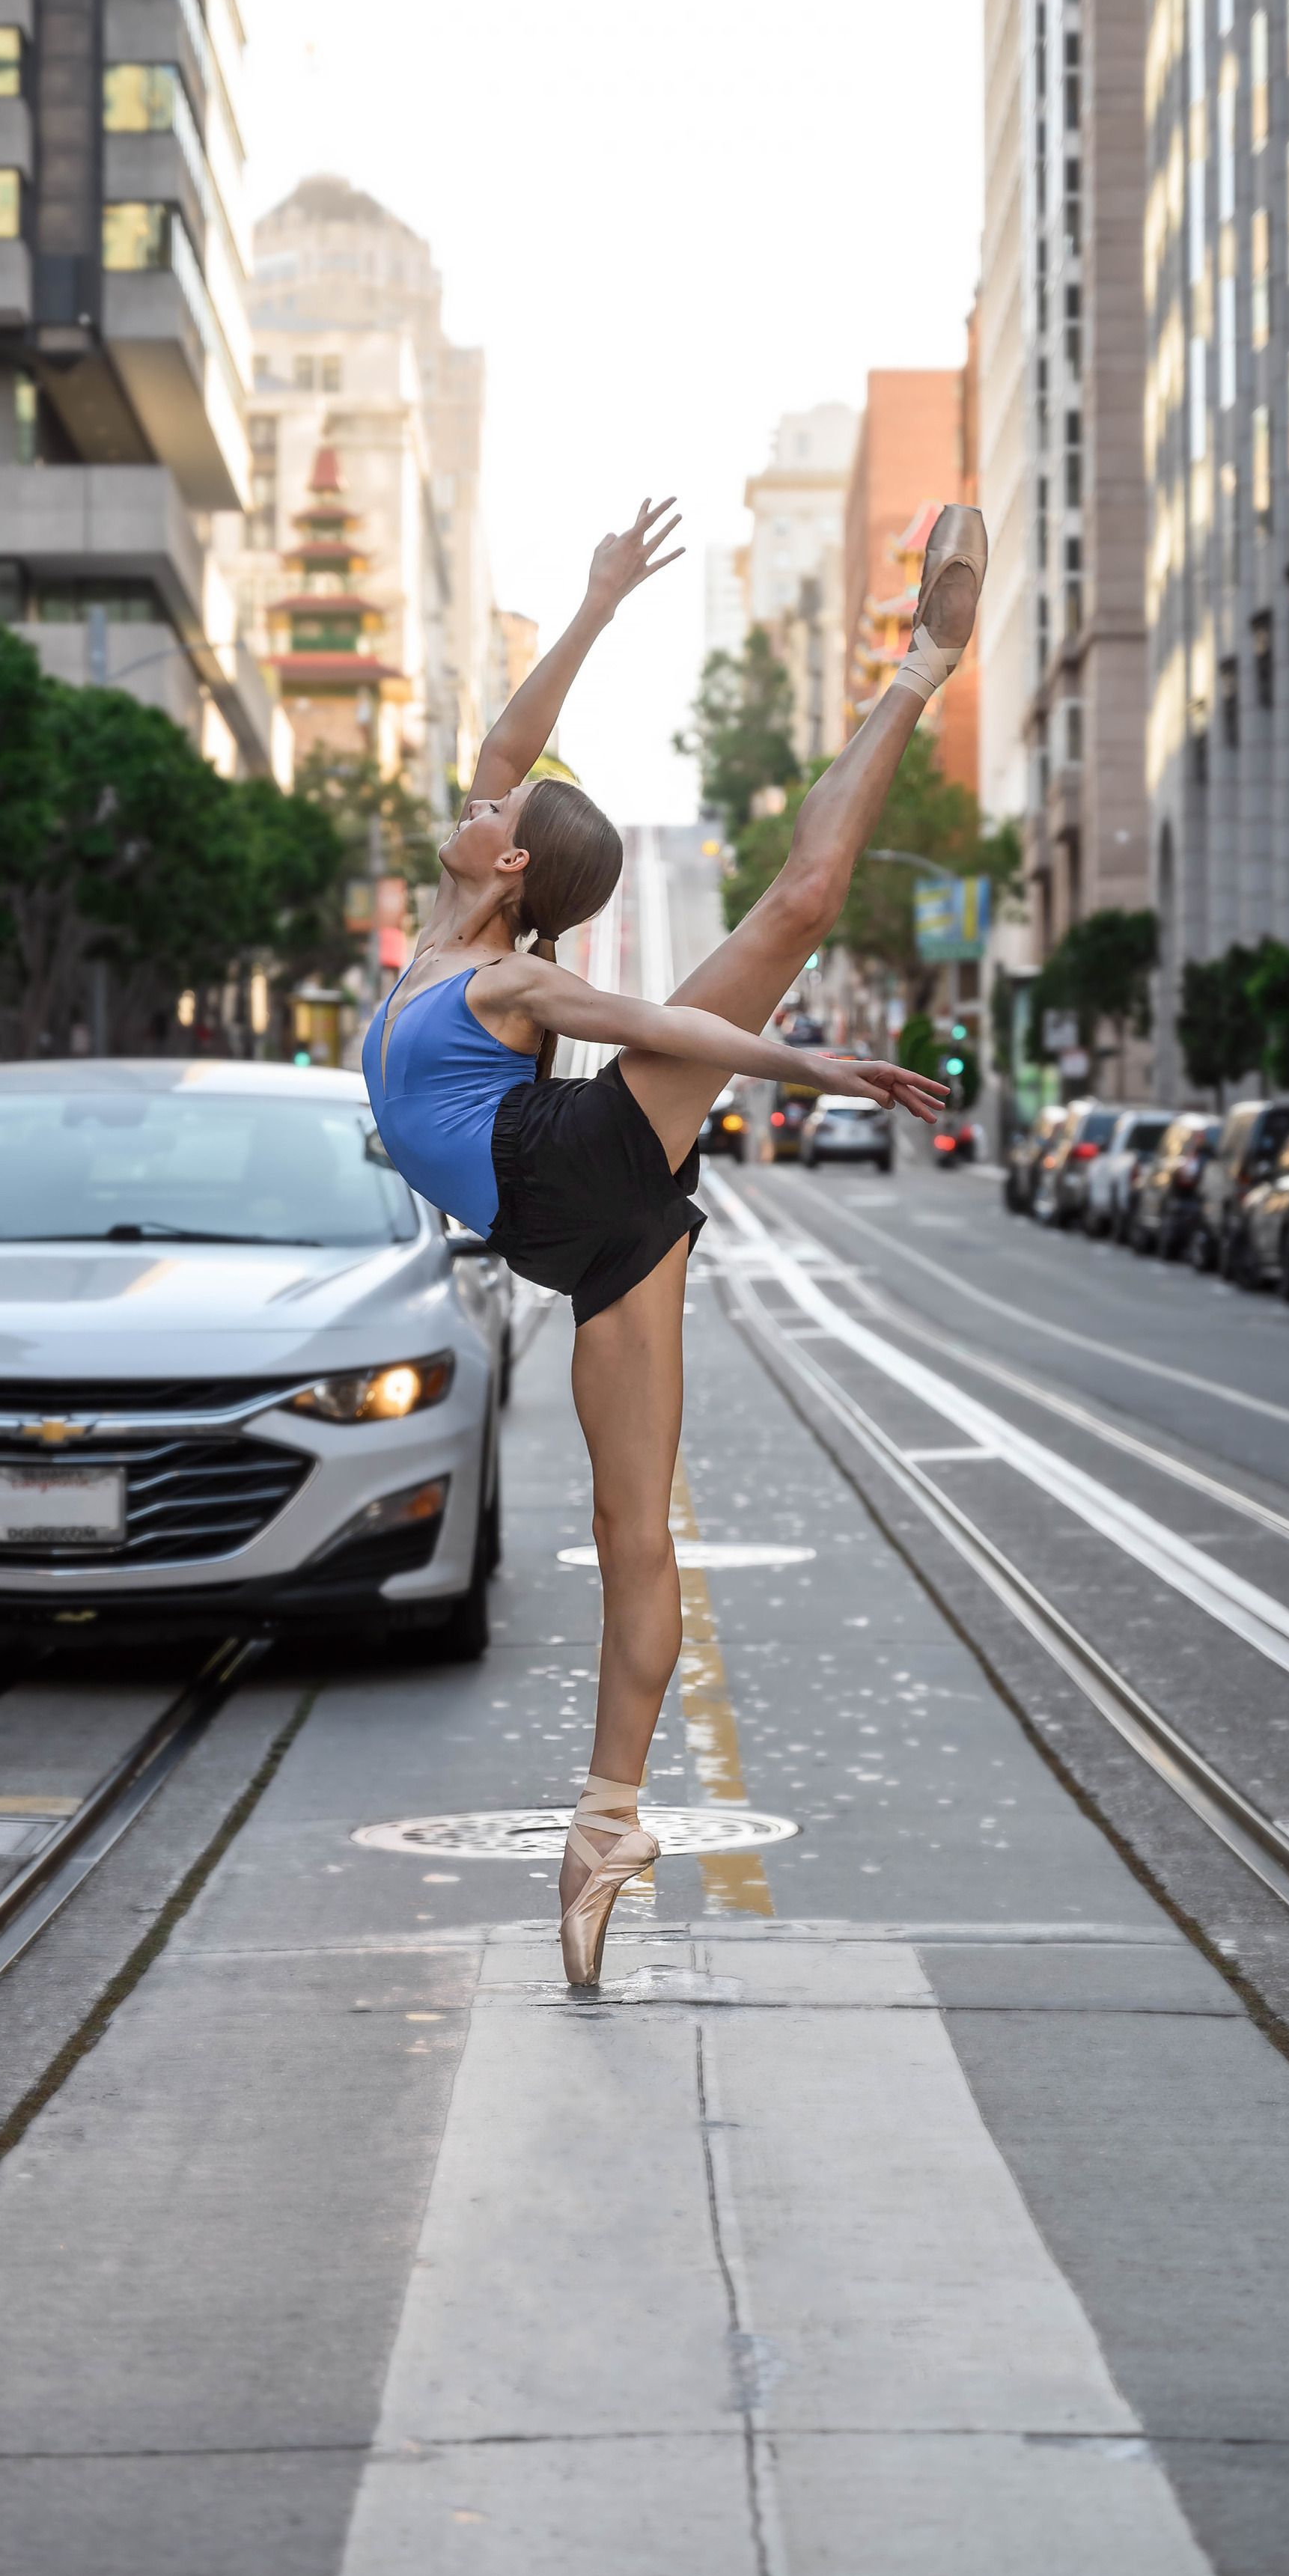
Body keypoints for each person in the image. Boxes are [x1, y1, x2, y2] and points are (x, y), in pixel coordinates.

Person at [362, 495, 986, 1987]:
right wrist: (590, 606)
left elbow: (657, 1022)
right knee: (634, 1533)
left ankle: (920, 669)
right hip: (580, 1237)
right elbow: (509, 749)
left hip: (566, 1163)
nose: (485, 795)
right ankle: (605, 1828)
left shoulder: (511, 985)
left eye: (500, 813)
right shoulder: (465, 916)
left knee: (794, 908)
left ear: (510, 870)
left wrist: (812, 1068)